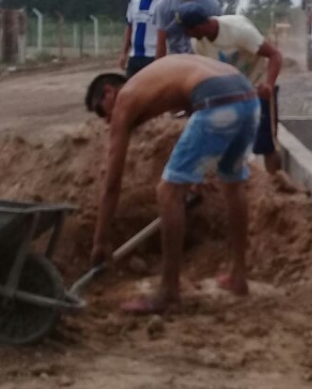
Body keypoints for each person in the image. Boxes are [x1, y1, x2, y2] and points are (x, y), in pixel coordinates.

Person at [85, 55, 258, 314]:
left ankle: (168, 293)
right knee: (233, 183)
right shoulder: (157, 80)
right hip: (247, 96)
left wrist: (100, 240)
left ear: (109, 93)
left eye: (103, 113)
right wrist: (194, 177)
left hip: (217, 98)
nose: (108, 122)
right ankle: (238, 277)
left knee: (167, 191)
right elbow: (196, 113)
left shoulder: (125, 98)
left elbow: (112, 184)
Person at [176, 3, 286, 175]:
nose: (186, 34)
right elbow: (206, 73)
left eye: (187, 30)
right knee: (226, 142)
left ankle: (276, 185)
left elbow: (275, 55)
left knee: (266, 144)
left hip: (258, 84)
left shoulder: (239, 31)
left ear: (199, 26)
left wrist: (269, 85)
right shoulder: (198, 43)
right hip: (230, 91)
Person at [118, 0, 165, 78]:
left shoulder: (163, 2)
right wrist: (124, 53)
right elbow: (129, 26)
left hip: (152, 56)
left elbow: (163, 32)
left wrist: (159, 60)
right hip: (135, 56)